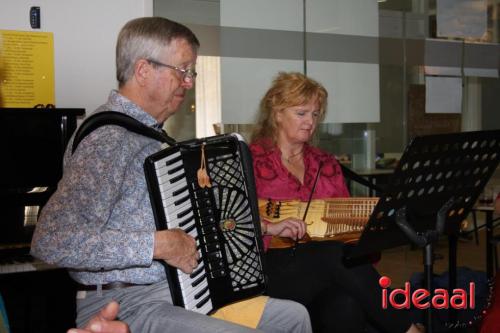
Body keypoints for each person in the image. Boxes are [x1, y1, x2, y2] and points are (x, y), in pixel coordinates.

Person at [31, 17, 311, 333]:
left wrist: (264, 226)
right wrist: (157, 245)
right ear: (143, 70)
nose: (189, 82)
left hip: (182, 291)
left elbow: (196, 220)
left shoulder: (152, 138)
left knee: (293, 318)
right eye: (183, 70)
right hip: (126, 302)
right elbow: (51, 240)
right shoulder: (110, 139)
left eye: (191, 72)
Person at [250, 72, 423, 333]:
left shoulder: (326, 163)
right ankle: (408, 329)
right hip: (271, 271)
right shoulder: (250, 160)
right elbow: (231, 223)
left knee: (346, 306)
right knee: (331, 253)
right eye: (301, 113)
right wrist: (271, 226)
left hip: (325, 271)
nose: (310, 122)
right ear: (277, 112)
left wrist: (373, 228)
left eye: (315, 114)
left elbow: (347, 232)